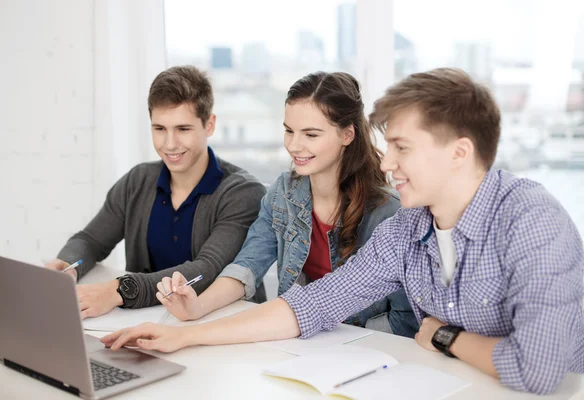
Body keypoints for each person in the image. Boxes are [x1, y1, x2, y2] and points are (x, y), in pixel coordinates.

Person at [101, 68, 584, 395]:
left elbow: (537, 370)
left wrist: (443, 336)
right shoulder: (408, 228)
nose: (388, 162)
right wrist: (187, 338)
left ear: (459, 152)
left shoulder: (531, 221)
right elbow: (311, 304)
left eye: (401, 147)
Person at [154, 71, 418, 336]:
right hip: (298, 337)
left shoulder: (389, 212)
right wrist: (197, 307)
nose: (294, 145)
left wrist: (333, 341)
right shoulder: (283, 191)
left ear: (347, 134)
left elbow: (405, 321)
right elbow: (248, 265)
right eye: (289, 131)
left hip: (363, 350)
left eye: (311, 135)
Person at [45, 66, 266, 318]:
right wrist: (68, 265)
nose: (169, 144)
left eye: (183, 129)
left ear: (209, 125)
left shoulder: (242, 193)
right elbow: (91, 241)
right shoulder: (138, 181)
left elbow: (206, 269)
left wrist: (119, 291)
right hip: (146, 318)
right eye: (159, 129)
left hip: (219, 327)